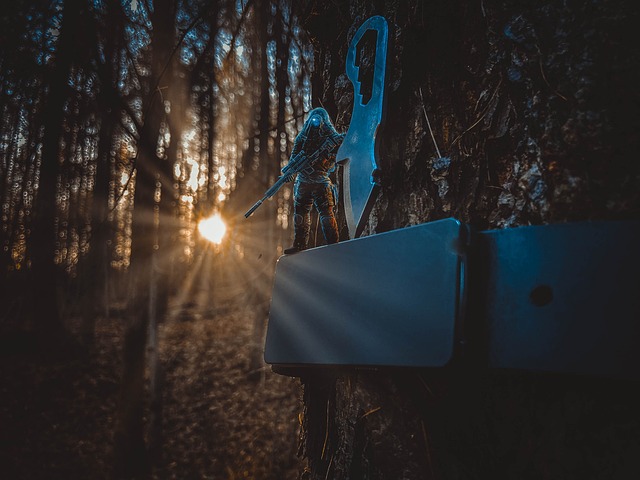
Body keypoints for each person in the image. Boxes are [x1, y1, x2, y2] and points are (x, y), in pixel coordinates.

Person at [284, 108, 344, 254]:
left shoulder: (332, 138)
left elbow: (343, 146)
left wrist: (328, 156)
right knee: (300, 215)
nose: (315, 123)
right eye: (313, 120)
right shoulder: (302, 138)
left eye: (318, 120)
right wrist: (290, 171)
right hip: (304, 181)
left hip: (321, 180)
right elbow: (294, 159)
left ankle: (333, 244)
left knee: (326, 213)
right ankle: (299, 245)